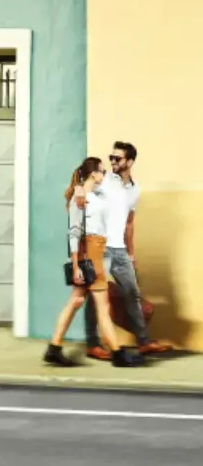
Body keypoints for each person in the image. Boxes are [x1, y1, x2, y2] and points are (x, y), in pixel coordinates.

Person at [44, 157, 144, 368]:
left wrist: (81, 187)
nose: (105, 174)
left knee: (77, 301)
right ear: (94, 174)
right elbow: (74, 231)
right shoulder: (79, 199)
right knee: (102, 304)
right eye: (102, 171)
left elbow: (116, 194)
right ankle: (117, 352)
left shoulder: (96, 195)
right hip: (89, 251)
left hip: (97, 248)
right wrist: (77, 264)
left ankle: (54, 347)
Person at [75, 141, 169, 359]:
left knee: (131, 293)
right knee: (94, 296)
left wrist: (131, 252)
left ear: (130, 162)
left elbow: (129, 222)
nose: (113, 162)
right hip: (99, 245)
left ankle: (143, 341)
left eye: (118, 158)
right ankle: (92, 343)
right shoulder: (104, 179)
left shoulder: (134, 190)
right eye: (112, 158)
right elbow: (81, 190)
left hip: (119, 249)